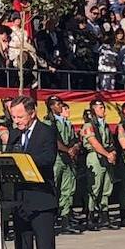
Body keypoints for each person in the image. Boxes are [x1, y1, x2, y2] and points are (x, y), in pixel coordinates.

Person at [5, 95, 58, 249]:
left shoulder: (46, 131)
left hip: (41, 198)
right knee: (22, 248)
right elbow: (8, 156)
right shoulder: (15, 133)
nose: (16, 121)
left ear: (32, 112)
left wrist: (23, 161)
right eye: (13, 116)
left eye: (19, 116)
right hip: (20, 199)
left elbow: (47, 159)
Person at [44, 97, 81, 235]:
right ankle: (51, 221)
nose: (60, 106)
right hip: (56, 159)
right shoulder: (48, 122)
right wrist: (67, 150)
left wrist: (75, 147)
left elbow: (74, 139)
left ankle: (65, 220)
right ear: (51, 107)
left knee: (67, 189)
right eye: (58, 104)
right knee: (53, 189)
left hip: (68, 159)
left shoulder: (67, 123)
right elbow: (52, 140)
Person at [81, 99, 116, 231]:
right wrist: (107, 154)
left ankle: (104, 216)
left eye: (103, 107)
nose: (103, 110)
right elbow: (93, 142)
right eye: (100, 107)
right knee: (94, 186)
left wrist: (112, 154)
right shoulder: (89, 125)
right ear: (93, 109)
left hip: (106, 155)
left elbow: (110, 142)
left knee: (106, 186)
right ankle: (90, 216)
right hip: (95, 156)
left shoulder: (104, 125)